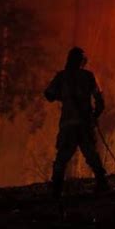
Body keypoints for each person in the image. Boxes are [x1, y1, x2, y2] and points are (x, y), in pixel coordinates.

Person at [44, 47, 108, 197]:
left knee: (62, 157)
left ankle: (56, 189)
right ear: (82, 62)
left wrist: (64, 97)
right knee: (91, 155)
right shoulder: (88, 76)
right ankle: (102, 183)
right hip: (84, 124)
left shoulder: (62, 77)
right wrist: (95, 114)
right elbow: (99, 99)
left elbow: (49, 94)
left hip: (68, 125)